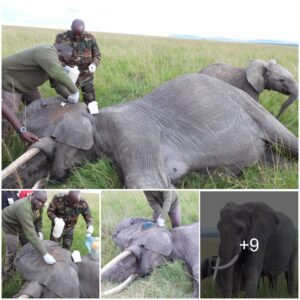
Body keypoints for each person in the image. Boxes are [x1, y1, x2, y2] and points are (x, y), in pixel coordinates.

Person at [2, 43, 79, 114]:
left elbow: (57, 84)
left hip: (27, 86)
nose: (63, 63)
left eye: (66, 62)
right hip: (9, 83)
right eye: (63, 59)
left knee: (40, 109)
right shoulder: (47, 50)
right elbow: (57, 72)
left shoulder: (51, 62)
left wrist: (69, 96)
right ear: (58, 50)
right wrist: (75, 91)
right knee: (8, 116)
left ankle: (29, 126)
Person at [2, 191, 55, 279]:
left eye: (43, 202)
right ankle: (8, 273)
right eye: (38, 200)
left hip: (21, 223)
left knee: (28, 244)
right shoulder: (24, 208)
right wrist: (45, 254)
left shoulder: (39, 205)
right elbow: (30, 233)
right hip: (9, 225)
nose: (40, 204)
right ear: (32, 196)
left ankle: (25, 264)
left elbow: (38, 220)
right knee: (12, 249)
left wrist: (39, 231)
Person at [54, 19, 101, 106]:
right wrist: (64, 67)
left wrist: (94, 64)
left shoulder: (90, 38)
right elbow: (55, 56)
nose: (77, 37)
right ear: (71, 29)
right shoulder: (61, 38)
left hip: (86, 76)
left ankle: (93, 117)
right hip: (69, 77)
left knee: (91, 102)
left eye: (80, 35)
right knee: (67, 101)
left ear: (84, 30)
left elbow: (97, 55)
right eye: (74, 34)